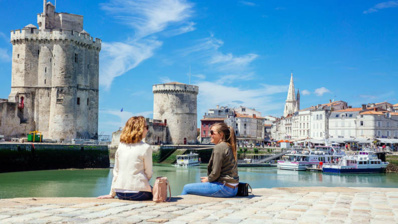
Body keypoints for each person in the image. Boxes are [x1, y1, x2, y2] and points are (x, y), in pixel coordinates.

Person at [97, 116, 153, 201]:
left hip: (120, 193)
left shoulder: (121, 146)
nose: (147, 130)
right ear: (140, 129)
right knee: (159, 191)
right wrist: (142, 184)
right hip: (138, 193)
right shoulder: (146, 147)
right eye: (146, 127)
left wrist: (112, 194)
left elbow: (116, 172)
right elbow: (149, 173)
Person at [181, 122, 239, 197]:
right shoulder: (228, 146)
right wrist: (209, 178)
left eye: (212, 133)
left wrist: (208, 179)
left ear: (221, 135)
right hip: (234, 189)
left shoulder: (219, 147)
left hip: (224, 188)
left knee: (186, 188)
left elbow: (215, 173)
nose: (209, 135)